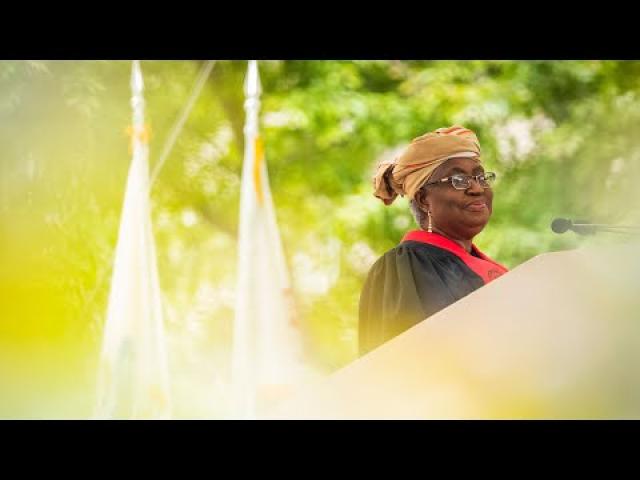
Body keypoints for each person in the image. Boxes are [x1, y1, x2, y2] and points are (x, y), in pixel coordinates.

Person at [358, 125, 509, 356]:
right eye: (458, 179)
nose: (477, 188)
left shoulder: (488, 266)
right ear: (423, 200)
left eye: (480, 176)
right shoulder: (403, 268)